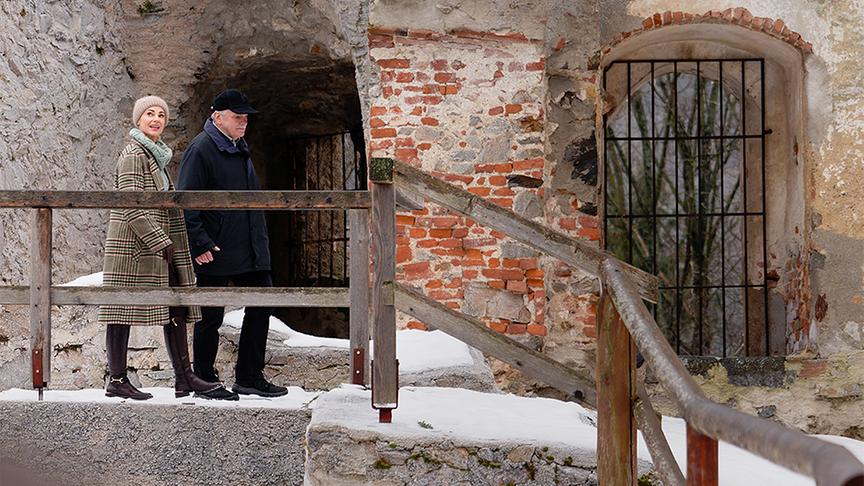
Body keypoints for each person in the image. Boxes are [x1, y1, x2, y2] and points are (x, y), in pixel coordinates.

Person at [98, 95, 236, 401]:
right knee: (121, 308)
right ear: (138, 120)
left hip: (156, 243)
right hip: (134, 245)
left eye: (161, 114)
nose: (156, 119)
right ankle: (117, 378)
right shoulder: (134, 154)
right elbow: (132, 204)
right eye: (149, 114)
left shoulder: (155, 155)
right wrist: (162, 242)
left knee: (176, 303)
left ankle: (184, 378)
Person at [177, 89, 288, 398]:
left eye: (246, 118)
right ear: (218, 116)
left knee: (261, 303)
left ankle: (249, 376)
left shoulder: (239, 147)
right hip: (216, 246)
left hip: (250, 245)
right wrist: (198, 243)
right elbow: (186, 199)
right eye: (238, 117)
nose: (243, 122)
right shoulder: (201, 149)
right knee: (209, 314)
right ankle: (204, 378)